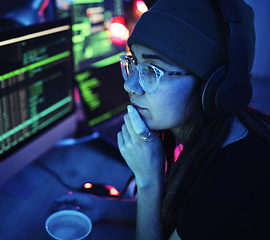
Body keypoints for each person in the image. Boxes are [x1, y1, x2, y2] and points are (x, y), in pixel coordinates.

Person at [54, 0, 270, 239]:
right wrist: (108, 208)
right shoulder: (221, 138)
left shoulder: (226, 191)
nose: (129, 84)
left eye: (152, 70)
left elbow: (201, 216)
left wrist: (148, 181)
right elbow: (182, 218)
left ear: (214, 87)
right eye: (134, 63)